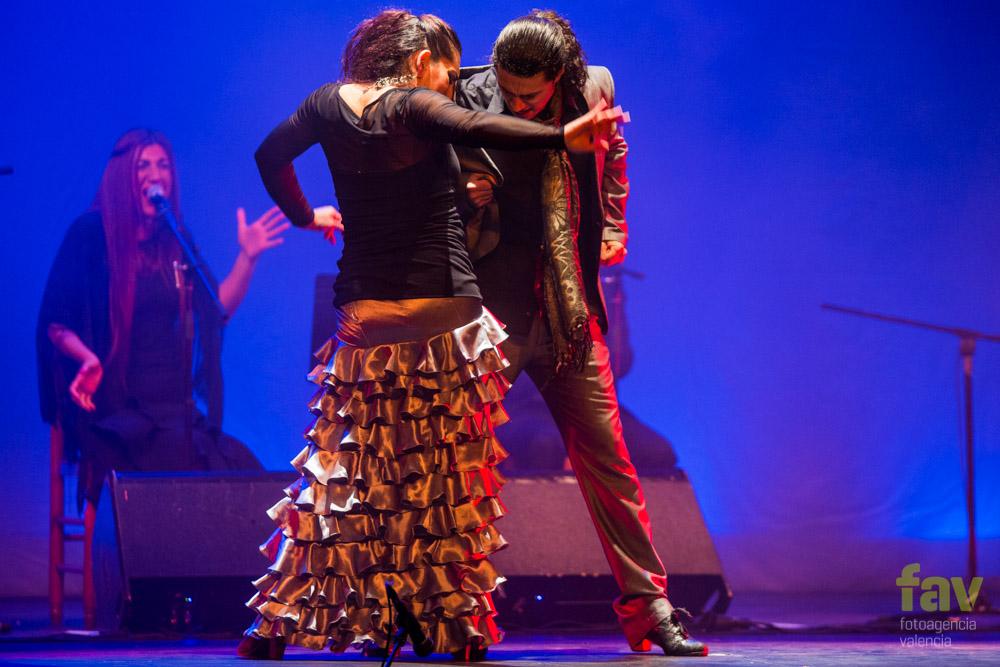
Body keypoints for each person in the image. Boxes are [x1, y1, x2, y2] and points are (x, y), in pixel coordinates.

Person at [237, 9, 623, 661]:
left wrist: (305, 215)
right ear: (418, 61)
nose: (452, 80)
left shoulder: (326, 104)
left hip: (366, 321)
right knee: (445, 478)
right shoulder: (416, 103)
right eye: (446, 66)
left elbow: (268, 156)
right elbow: (475, 123)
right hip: (444, 316)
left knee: (342, 473)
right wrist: (563, 137)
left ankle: (273, 624)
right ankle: (457, 628)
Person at [454, 11, 707, 657]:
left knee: (610, 461)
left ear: (561, 76)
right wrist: (465, 192)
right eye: (507, 90)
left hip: (567, 310)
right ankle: (455, 611)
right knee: (458, 461)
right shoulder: (466, 93)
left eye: (529, 96)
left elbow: (614, 152)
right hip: (494, 313)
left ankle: (648, 608)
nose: (515, 101)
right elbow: (432, 187)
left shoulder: (596, 88)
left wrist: (616, 221)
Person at [37, 128, 283, 518]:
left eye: (163, 164)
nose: (156, 173)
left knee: (241, 479)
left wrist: (247, 258)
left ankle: (207, 577)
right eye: (144, 165)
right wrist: (88, 359)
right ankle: (152, 575)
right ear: (123, 177)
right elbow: (56, 320)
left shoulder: (174, 236)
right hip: (115, 407)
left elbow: (215, 311)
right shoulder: (91, 235)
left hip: (173, 410)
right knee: (167, 485)